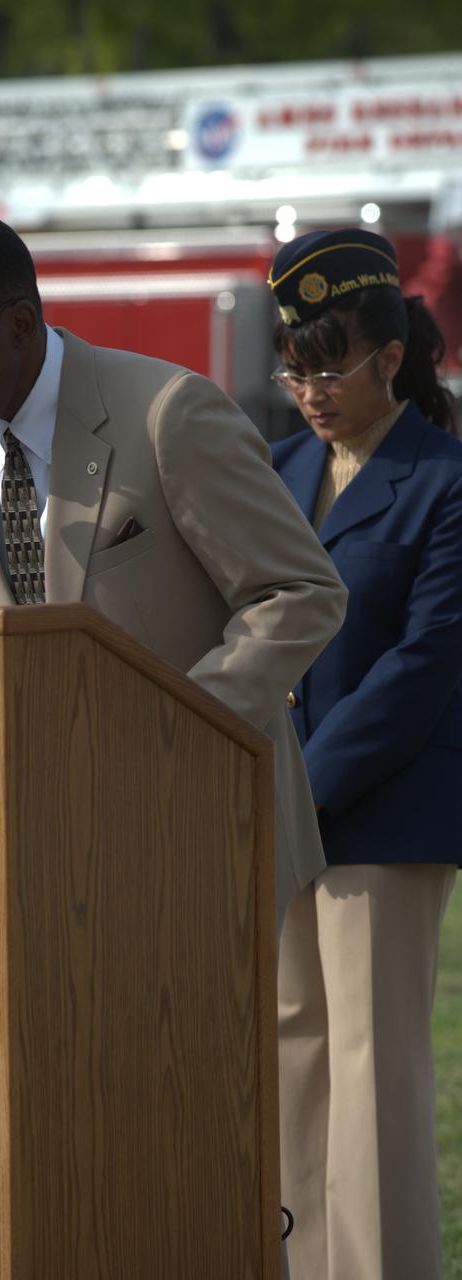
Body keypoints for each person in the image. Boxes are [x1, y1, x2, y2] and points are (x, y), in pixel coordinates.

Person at [0, 210, 347, 926]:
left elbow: (300, 591)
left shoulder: (169, 413)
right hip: (56, 849)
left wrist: (170, 729)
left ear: (19, 327)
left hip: (200, 828)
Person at [268, 227, 462, 1280]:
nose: (308, 391)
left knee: (370, 1062)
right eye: (292, 368)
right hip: (280, 801)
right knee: (292, 1044)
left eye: (328, 367)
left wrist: (299, 786)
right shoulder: (281, 463)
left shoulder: (447, 480)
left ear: (391, 358)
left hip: (381, 811)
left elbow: (418, 669)